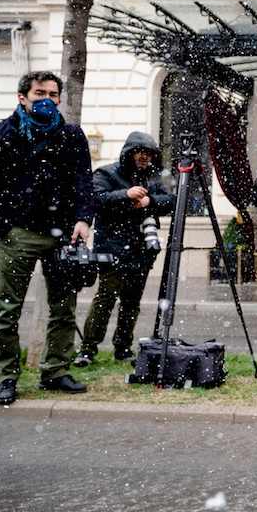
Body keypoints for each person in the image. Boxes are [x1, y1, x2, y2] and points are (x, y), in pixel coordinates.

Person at [0, 71, 95, 406]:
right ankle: (6, 377)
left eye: (54, 94)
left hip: (63, 235)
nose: (48, 99)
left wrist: (83, 219)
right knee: (7, 309)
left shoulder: (71, 136)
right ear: (22, 97)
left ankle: (55, 371)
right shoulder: (0, 134)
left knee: (63, 307)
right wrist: (3, 227)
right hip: (18, 233)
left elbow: (84, 181)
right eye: (40, 92)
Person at [74, 132, 174, 367]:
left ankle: (123, 347)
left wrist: (150, 202)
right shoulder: (107, 173)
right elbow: (96, 199)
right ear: (129, 152)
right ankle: (88, 349)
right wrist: (126, 195)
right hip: (112, 248)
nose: (144, 157)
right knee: (105, 300)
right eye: (140, 152)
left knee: (131, 302)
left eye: (148, 153)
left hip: (141, 249)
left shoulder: (153, 177)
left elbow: (171, 200)